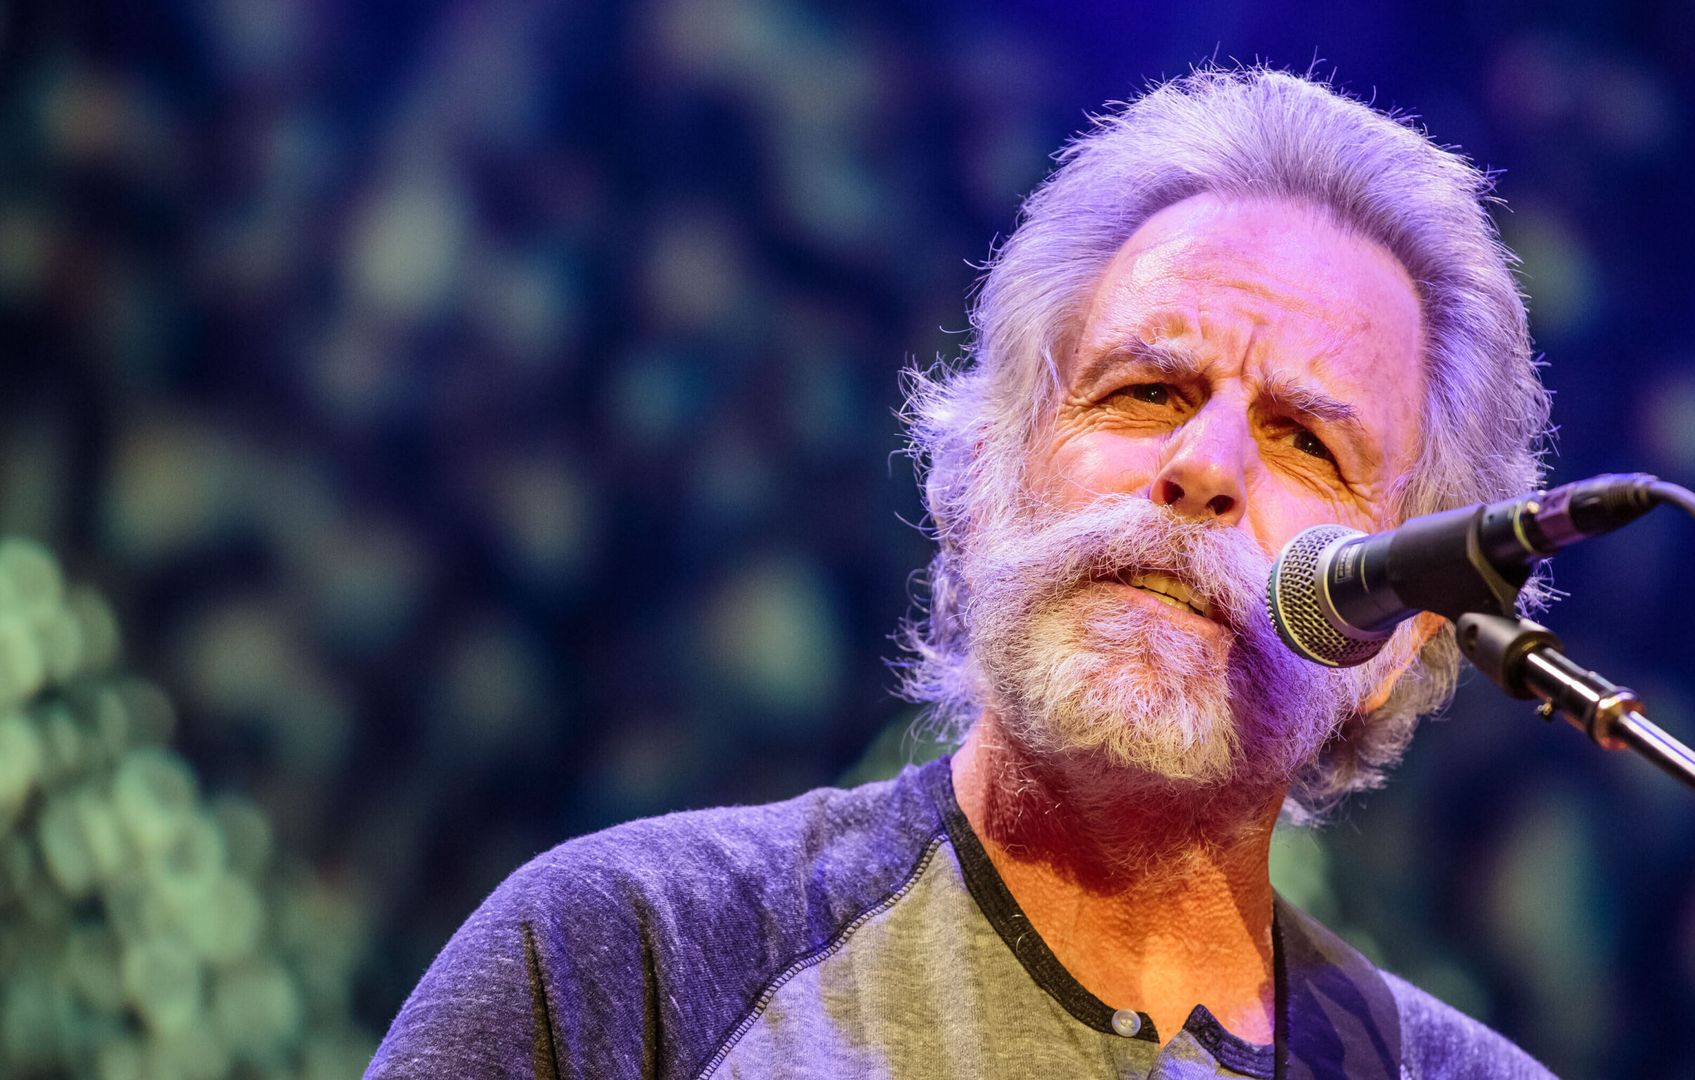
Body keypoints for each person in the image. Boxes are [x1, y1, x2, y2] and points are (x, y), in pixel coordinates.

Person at [368, 66, 1556, 1079]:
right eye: (1147, 390)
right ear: (985, 485)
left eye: (1305, 441)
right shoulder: (636, 958)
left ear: (1399, 636)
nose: (1204, 467)